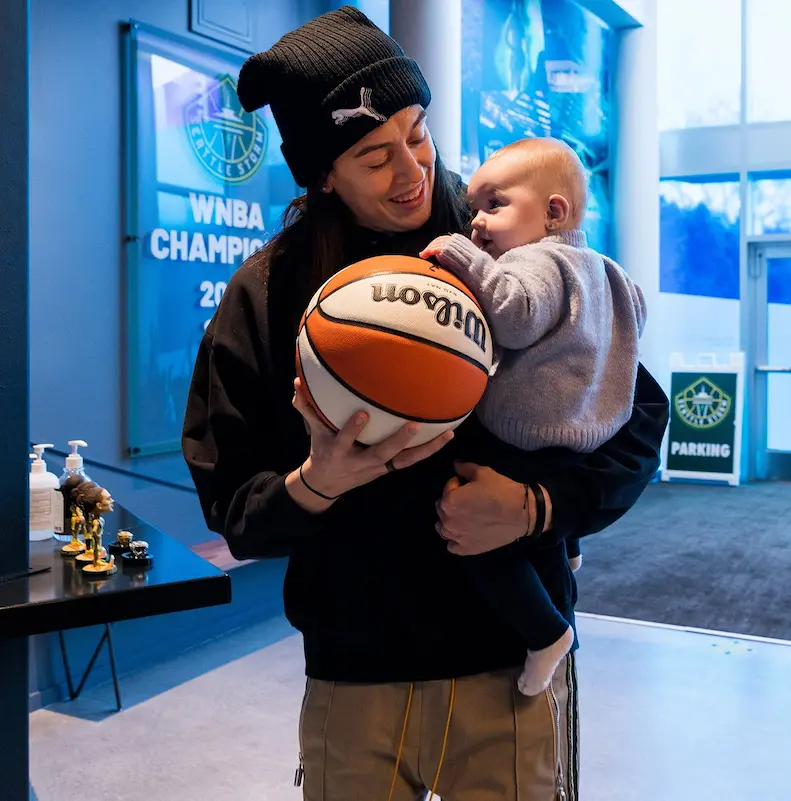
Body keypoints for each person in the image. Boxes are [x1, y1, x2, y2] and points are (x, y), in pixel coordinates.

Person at [180, 8, 669, 800]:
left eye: (418, 133)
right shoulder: (267, 294)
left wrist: (538, 506)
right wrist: (318, 482)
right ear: (321, 173)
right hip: (356, 674)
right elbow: (233, 503)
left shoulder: (507, 247)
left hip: (510, 668)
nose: (411, 169)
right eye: (375, 156)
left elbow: (636, 416)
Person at [419, 137, 647, 696]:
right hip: (581, 435)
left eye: (493, 205)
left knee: (479, 538)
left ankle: (546, 633)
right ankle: (566, 553)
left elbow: (515, 318)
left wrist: (461, 257)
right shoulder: (605, 270)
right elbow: (637, 315)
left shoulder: (536, 259)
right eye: (472, 209)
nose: (476, 223)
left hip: (521, 435)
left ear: (552, 213)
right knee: (541, 537)